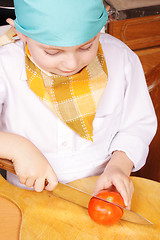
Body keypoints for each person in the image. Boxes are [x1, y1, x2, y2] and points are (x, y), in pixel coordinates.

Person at [0, 0, 157, 210]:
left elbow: (137, 125)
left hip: (101, 193)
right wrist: (16, 147)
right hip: (25, 201)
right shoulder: (5, 65)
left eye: (86, 46)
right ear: (20, 33)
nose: (71, 64)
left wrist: (119, 166)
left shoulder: (121, 58)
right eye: (52, 52)